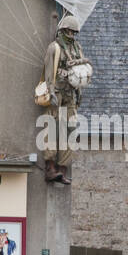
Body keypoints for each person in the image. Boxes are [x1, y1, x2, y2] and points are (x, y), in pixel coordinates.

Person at [38, 12, 92, 184]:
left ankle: (63, 168)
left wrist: (79, 94)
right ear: (63, 30)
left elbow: (81, 71)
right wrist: (51, 92)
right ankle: (50, 167)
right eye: (69, 31)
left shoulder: (77, 49)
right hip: (57, 93)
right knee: (51, 129)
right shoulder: (54, 48)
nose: (71, 35)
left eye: (73, 32)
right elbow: (48, 72)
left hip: (71, 94)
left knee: (70, 131)